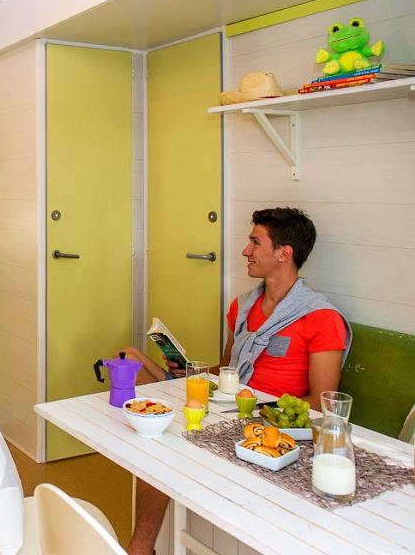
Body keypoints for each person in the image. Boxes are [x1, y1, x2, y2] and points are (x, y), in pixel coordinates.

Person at [123, 207, 352, 554]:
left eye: (255, 242)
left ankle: (140, 549)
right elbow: (227, 369)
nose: (246, 251)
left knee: (161, 446)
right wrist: (191, 371)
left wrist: (257, 411)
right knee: (130, 359)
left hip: (268, 424)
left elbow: (322, 403)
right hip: (225, 405)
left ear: (284, 253)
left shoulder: (321, 319)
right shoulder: (243, 306)